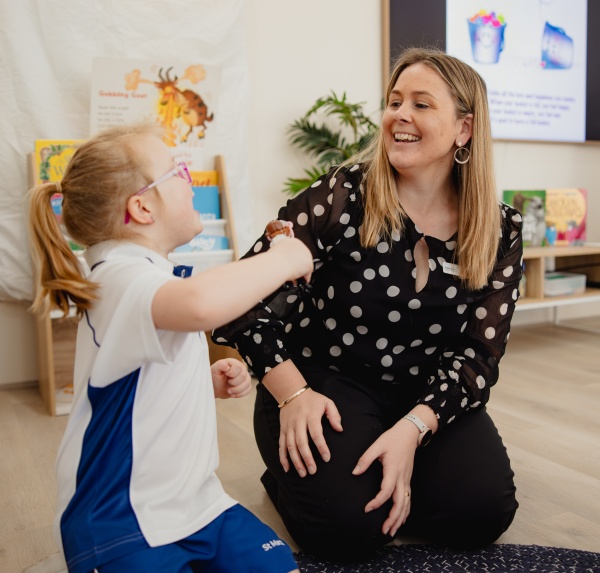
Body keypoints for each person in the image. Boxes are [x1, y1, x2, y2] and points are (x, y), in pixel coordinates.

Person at [213, 46, 522, 562]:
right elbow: (239, 295)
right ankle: (297, 477)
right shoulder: (343, 193)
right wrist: (291, 394)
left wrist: (413, 430)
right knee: (348, 534)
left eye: (422, 104)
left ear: (464, 130)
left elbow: (478, 357)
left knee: (483, 512)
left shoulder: (501, 228)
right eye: (394, 101)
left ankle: (387, 469)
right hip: (323, 384)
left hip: (426, 393)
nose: (399, 114)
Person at [28, 123, 313, 573]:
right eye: (178, 171)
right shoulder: (116, 276)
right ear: (141, 208)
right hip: (119, 520)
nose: (190, 178)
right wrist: (281, 260)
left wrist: (203, 382)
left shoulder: (147, 274)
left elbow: (135, 376)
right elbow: (201, 305)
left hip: (198, 504)